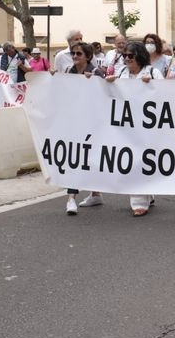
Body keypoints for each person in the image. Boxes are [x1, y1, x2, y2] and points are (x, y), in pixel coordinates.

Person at [105, 41, 164, 216]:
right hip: (127, 126)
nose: (127, 59)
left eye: (131, 55)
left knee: (144, 160)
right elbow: (111, 96)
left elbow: (165, 93)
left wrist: (152, 84)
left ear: (140, 56)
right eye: (124, 56)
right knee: (131, 160)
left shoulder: (153, 72)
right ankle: (142, 197)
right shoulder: (121, 73)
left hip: (147, 125)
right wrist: (109, 83)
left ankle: (141, 199)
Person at [63, 41, 105, 214]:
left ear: (87, 56)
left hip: (93, 123)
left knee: (91, 158)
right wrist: (52, 78)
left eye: (79, 53)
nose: (75, 56)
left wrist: (93, 82)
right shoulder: (68, 71)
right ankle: (71, 198)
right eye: (73, 53)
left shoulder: (96, 72)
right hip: (74, 123)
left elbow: (106, 94)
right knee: (74, 158)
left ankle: (95, 193)